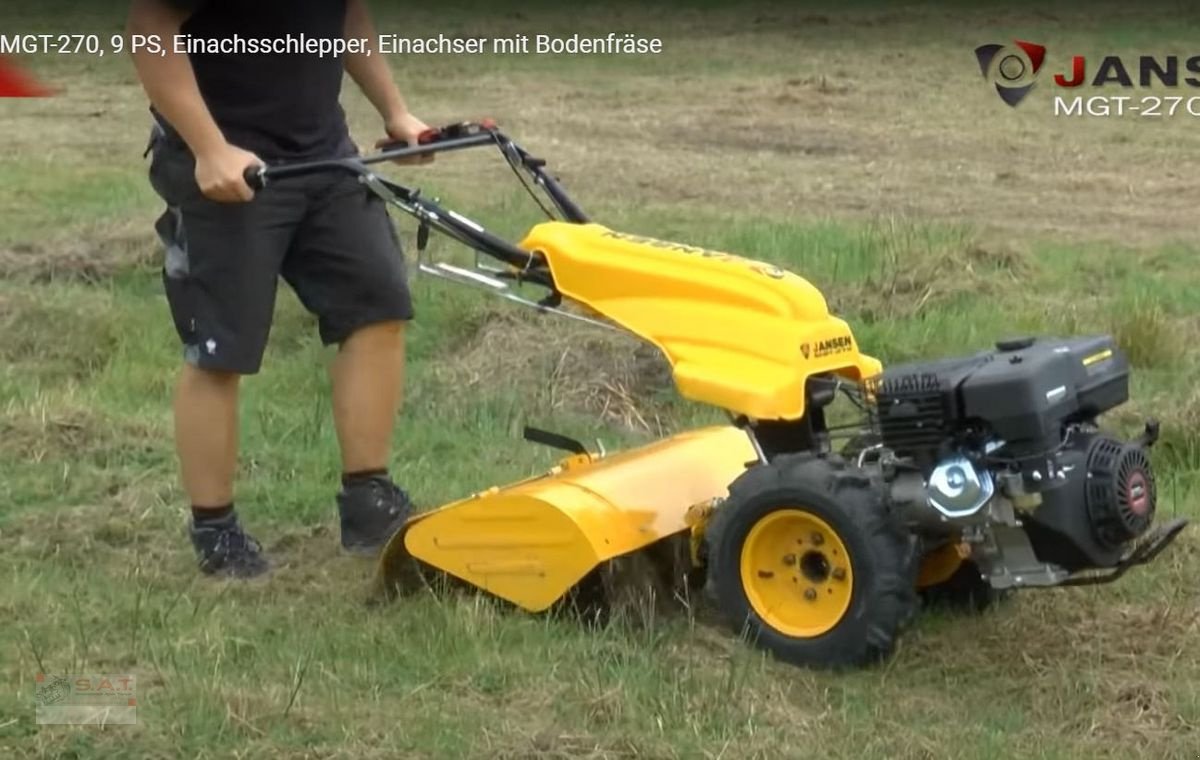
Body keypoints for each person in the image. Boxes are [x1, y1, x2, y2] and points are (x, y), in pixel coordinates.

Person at [127, 0, 428, 578]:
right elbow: (149, 29)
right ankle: (216, 530)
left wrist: (397, 112)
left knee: (377, 305)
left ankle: (369, 501)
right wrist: (209, 149)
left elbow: (346, 14)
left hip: (326, 157)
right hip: (224, 163)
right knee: (221, 347)